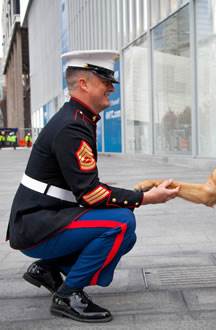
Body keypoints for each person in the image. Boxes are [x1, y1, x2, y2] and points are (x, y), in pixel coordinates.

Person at [6, 50, 179, 323]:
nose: (111, 87)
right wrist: (145, 197)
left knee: (126, 234)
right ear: (84, 84)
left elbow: (85, 188)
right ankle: (68, 294)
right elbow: (91, 194)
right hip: (36, 225)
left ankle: (47, 268)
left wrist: (138, 196)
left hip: (42, 218)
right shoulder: (73, 126)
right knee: (120, 223)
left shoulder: (77, 118)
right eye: (104, 81)